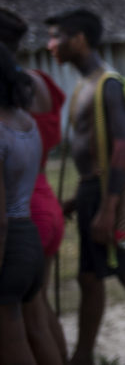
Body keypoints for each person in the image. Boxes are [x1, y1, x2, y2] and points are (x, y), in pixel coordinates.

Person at [46, 8, 125, 365]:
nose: (51, 44)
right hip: (92, 191)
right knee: (88, 278)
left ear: (79, 39)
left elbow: (124, 147)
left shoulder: (109, 85)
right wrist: (79, 199)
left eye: (58, 36)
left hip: (115, 195)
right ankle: (82, 355)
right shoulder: (84, 85)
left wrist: (109, 207)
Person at [1, 7, 68, 363]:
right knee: (39, 317)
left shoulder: (7, 106)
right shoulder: (35, 89)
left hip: (19, 213)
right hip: (41, 203)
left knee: (14, 334)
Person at [0, 42, 44, 364]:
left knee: (11, 339)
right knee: (39, 330)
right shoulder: (26, 122)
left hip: (8, 243)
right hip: (29, 236)